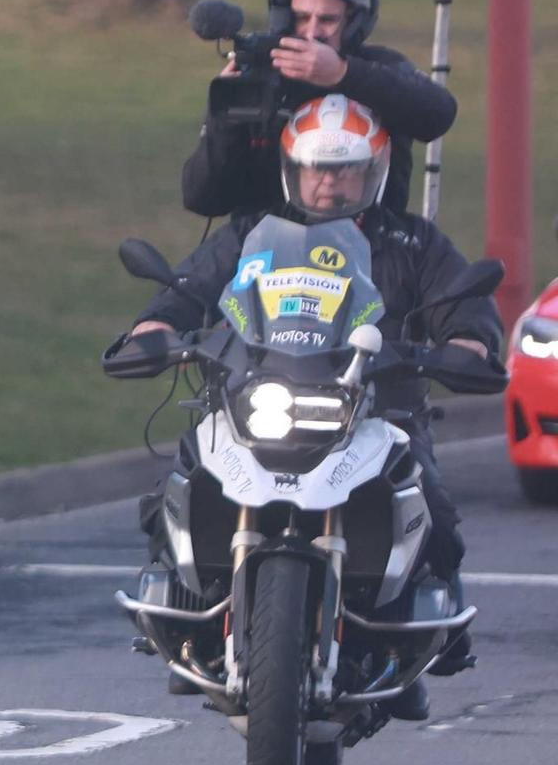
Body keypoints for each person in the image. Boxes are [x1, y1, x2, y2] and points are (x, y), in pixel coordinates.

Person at [131, 95, 503, 718]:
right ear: (293, 170)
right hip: (262, 399)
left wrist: (468, 342)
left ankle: (431, 634)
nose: (330, 181)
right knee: (185, 473)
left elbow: (463, 308)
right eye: (316, 168)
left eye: (346, 168)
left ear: (374, 172)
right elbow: (191, 288)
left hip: (380, 413)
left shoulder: (411, 241)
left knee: (431, 500)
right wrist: (154, 329)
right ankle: (185, 614)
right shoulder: (252, 233)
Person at [182, 0, 455, 224]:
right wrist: (224, 120)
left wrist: (342, 74)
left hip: (370, 251)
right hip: (265, 253)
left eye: (327, 20)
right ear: (283, 18)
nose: (312, 32)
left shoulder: (381, 69)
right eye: (301, 18)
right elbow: (203, 198)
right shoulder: (258, 76)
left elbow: (438, 113)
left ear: (355, 23)